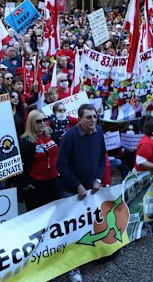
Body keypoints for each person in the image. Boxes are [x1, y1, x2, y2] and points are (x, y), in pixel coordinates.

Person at [57, 103, 106, 282]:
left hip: (91, 190)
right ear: (79, 120)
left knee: (90, 226)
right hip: (72, 192)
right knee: (73, 231)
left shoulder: (99, 132)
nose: (93, 120)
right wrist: (77, 185)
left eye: (95, 116)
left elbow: (102, 157)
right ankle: (72, 267)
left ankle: (89, 254)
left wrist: (98, 179)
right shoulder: (70, 137)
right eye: (89, 117)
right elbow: (61, 165)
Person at [19, 110, 61, 211]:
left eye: (44, 120)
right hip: (36, 185)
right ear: (31, 122)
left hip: (54, 181)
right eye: (38, 121)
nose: (42, 123)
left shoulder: (51, 134)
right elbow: (21, 165)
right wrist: (25, 184)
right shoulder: (26, 142)